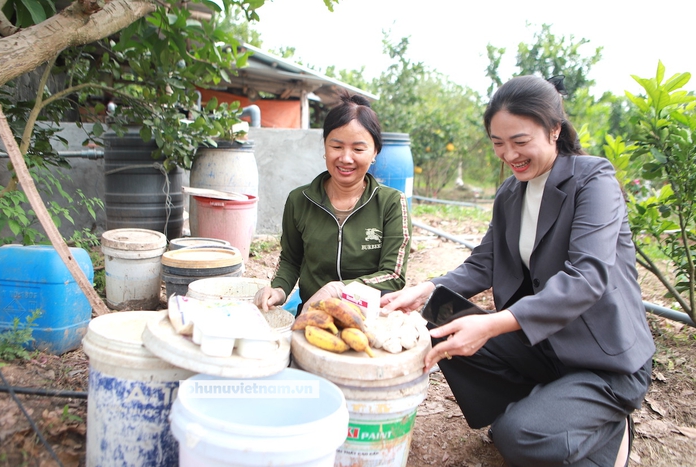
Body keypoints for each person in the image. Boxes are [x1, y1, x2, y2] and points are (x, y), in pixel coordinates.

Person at [381, 75, 654, 467]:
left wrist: (492, 325)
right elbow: (484, 263)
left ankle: (608, 429)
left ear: (554, 129)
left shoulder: (593, 180)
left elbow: (587, 277)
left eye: (520, 141)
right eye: (498, 143)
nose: (509, 154)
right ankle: (550, 408)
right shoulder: (511, 193)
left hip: (604, 362)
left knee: (516, 437)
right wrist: (425, 289)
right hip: (545, 349)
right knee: (440, 316)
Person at [254, 92, 411, 314]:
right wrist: (278, 289)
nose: (346, 158)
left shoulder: (391, 203)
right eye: (336, 146)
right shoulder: (299, 201)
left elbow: (394, 275)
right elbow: (291, 259)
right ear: (325, 147)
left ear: (375, 151)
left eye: (358, 149)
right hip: (312, 314)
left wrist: (339, 290)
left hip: (368, 318)